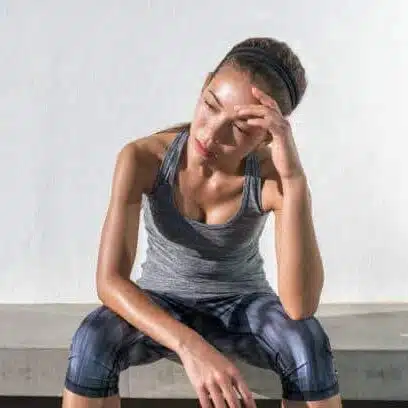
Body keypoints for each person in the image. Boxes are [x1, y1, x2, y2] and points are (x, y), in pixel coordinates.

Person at [62, 37, 342, 408]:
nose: (210, 134)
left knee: (306, 340)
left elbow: (299, 306)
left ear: (265, 134)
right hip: (162, 300)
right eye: (210, 106)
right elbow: (109, 281)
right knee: (90, 341)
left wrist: (293, 181)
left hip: (243, 305)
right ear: (204, 83)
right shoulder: (142, 158)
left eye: (240, 129)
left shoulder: (273, 178)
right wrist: (192, 347)